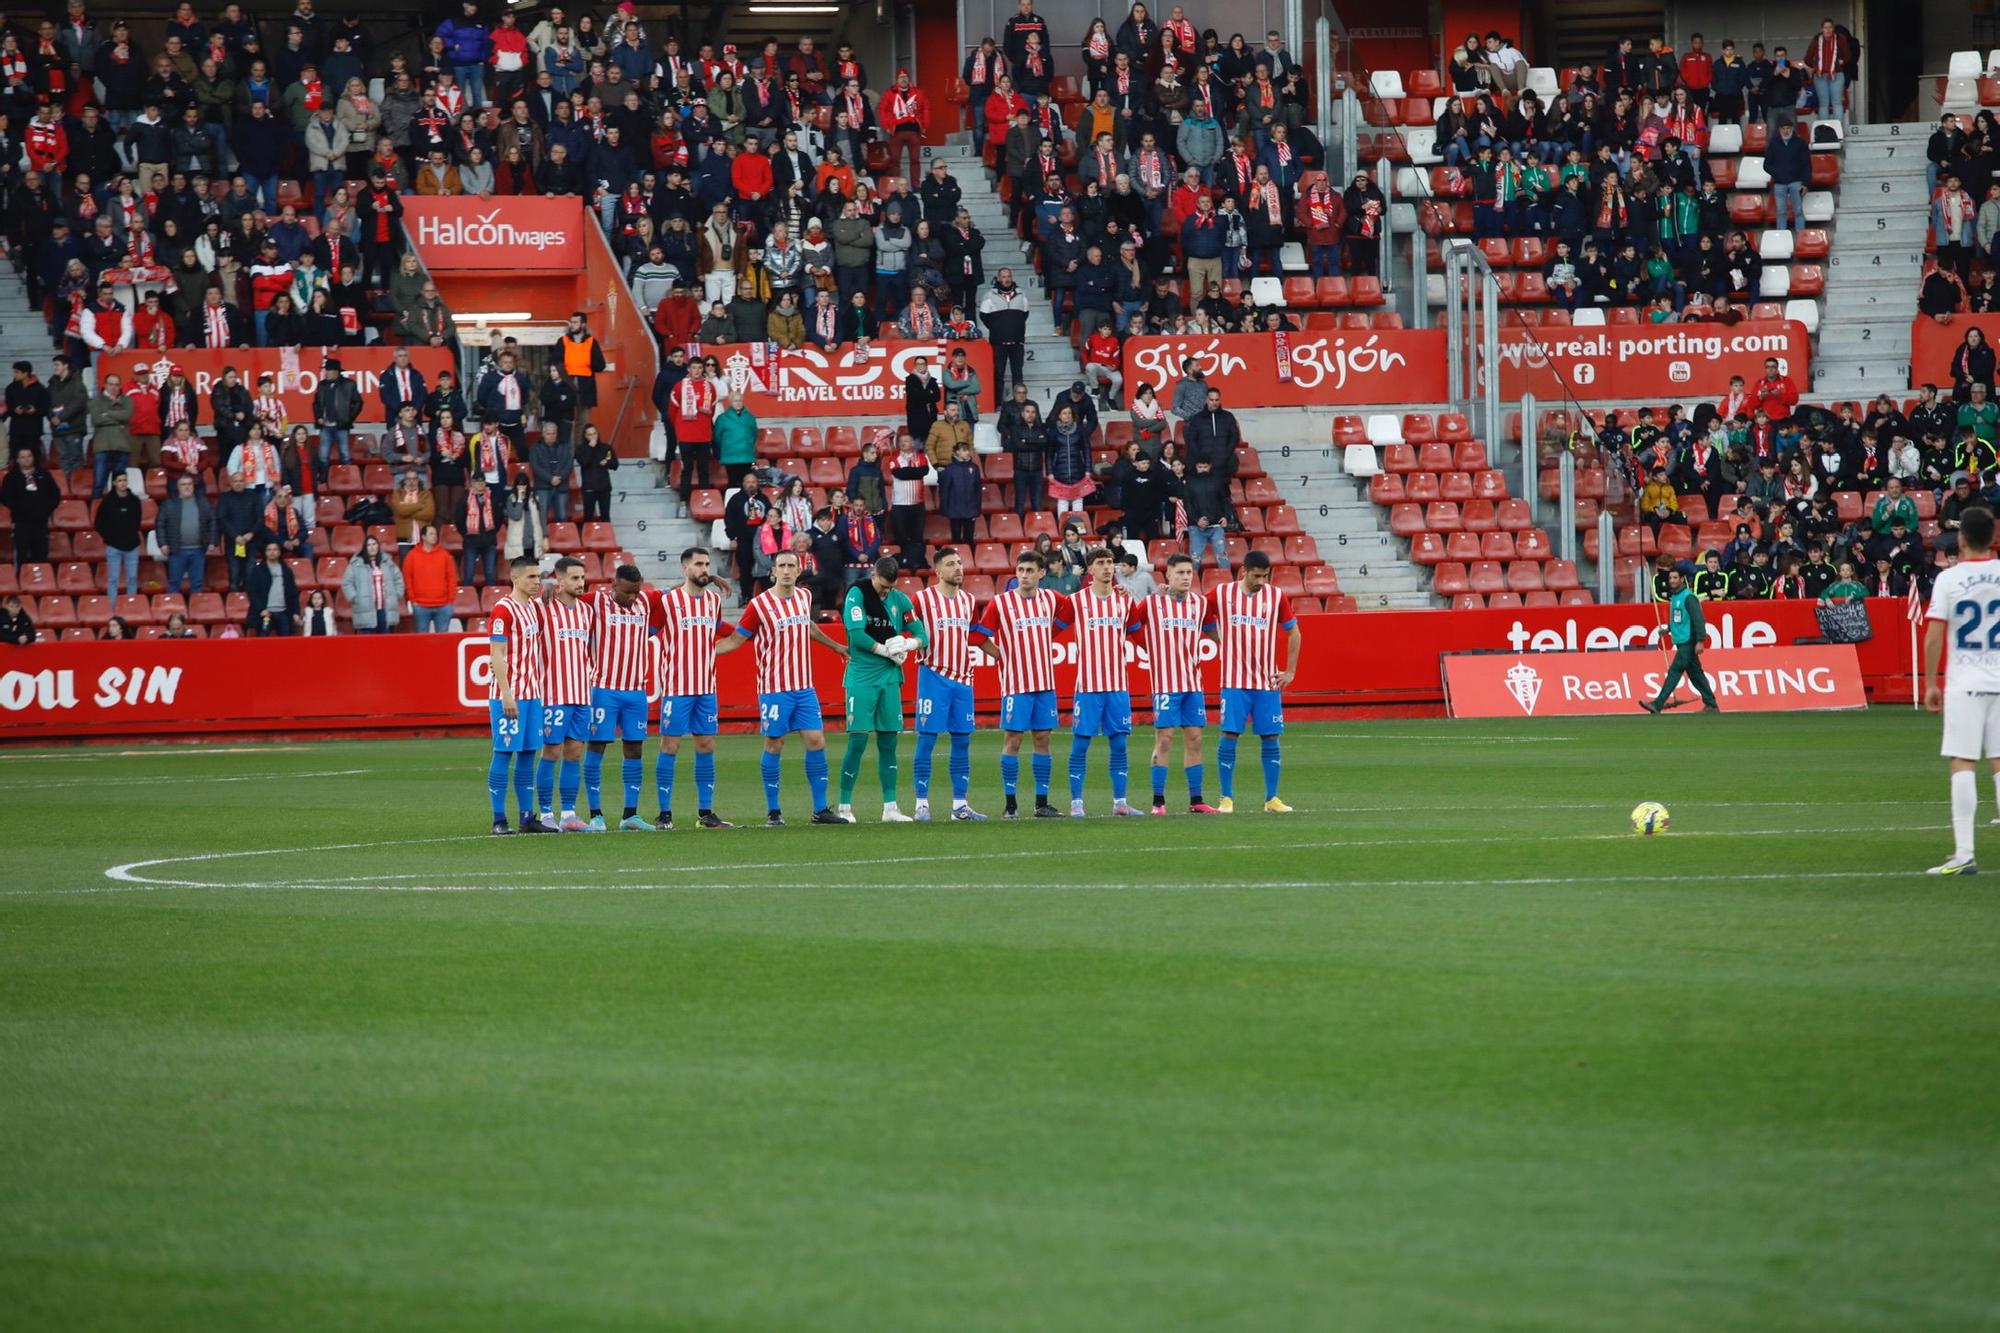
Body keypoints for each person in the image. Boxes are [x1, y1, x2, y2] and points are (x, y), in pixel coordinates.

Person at [736, 548, 850, 826]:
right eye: (781, 566)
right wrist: (709, 651)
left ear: (799, 571)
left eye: (791, 566)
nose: (786, 570)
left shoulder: (804, 596)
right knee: (775, 744)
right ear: (773, 571)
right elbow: (739, 637)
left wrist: (836, 646)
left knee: (816, 741)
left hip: (804, 687)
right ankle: (774, 812)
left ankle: (820, 810)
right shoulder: (759, 605)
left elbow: (807, 625)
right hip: (774, 688)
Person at [1922, 504, 2000, 875]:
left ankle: (1965, 853)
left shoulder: (1949, 580)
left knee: (1963, 761)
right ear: (1993, 537)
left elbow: (1934, 636)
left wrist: (1931, 683)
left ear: (1962, 539)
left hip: (1966, 683)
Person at [974, 549, 1072, 818]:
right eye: (1020, 571)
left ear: (1042, 573)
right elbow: (978, 637)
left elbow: (1071, 611)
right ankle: (1010, 805)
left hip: (1044, 682)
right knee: (1013, 741)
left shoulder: (1051, 598)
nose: (1024, 576)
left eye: (1030, 571)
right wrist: (1002, 655)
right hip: (1016, 685)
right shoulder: (1000, 603)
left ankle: (1041, 803)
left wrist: (1050, 634)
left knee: (1042, 739)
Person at [1206, 551, 1301, 813]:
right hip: (1234, 681)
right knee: (1229, 735)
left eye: (1265, 576)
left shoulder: (1276, 596)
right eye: (1256, 575)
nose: (1261, 581)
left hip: (1267, 682)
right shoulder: (1222, 593)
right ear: (1243, 572)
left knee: (1271, 736)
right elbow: (1201, 615)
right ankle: (1226, 797)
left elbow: (1293, 632)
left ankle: (1272, 798)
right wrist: (1217, 640)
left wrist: (1290, 672)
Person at [836, 555, 926, 823]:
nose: (886, 591)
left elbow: (923, 634)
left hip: (889, 679)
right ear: (873, 575)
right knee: (858, 741)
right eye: (883, 586)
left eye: (890, 587)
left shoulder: (900, 600)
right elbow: (856, 635)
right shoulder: (858, 593)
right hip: (862, 677)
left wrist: (909, 645)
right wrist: (886, 650)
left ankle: (890, 808)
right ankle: (844, 807)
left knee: (889, 742)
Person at [654, 546, 737, 830]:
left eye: (707, 564)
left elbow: (719, 630)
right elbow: (649, 631)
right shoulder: (667, 600)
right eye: (698, 564)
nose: (704, 569)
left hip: (706, 686)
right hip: (676, 687)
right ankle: (664, 814)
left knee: (706, 744)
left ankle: (706, 813)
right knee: (670, 745)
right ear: (684, 568)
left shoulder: (713, 601)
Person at [908, 548, 987, 822]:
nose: (958, 568)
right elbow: (901, 626)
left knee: (962, 741)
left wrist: (1003, 655)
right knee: (927, 739)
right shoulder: (921, 599)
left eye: (960, 563)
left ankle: (960, 805)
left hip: (964, 679)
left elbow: (975, 636)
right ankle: (921, 803)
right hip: (933, 675)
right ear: (938, 571)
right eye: (951, 564)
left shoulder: (968, 600)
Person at [1065, 548, 1144, 818]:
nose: (1108, 567)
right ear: (1090, 569)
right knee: (1081, 744)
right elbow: (1051, 629)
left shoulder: (1125, 602)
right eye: (1101, 563)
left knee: (1119, 744)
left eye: (1110, 562)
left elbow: (1140, 636)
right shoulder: (1075, 601)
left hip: (1118, 686)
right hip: (1087, 686)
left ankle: (1120, 802)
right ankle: (1077, 803)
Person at [581, 565, 658, 831]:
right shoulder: (597, 600)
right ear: (614, 585)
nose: (633, 598)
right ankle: (596, 815)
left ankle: (630, 816)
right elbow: (566, 596)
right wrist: (548, 591)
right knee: (597, 746)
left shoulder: (646, 601)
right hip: (604, 688)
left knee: (635, 748)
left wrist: (711, 579)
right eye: (627, 592)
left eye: (636, 592)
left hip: (636, 691)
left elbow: (681, 591)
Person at [531, 555, 597, 833]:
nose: (580, 583)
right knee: (551, 751)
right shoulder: (542, 608)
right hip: (553, 693)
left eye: (582, 578)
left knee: (575, 752)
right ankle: (546, 814)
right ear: (559, 579)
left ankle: (568, 813)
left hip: (581, 693)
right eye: (574, 578)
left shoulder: (587, 611)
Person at [486, 555, 548, 835]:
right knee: (503, 752)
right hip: (510, 695)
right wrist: (506, 694)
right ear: (515, 578)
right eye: (531, 577)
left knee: (527, 754)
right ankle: (499, 819)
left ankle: (527, 817)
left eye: (538, 577)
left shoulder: (534, 608)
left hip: (533, 694)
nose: (537, 582)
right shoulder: (503, 610)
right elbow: (496, 655)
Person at [1640, 562, 1721, 715]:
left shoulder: (1688, 597)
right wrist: (1668, 629)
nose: (1672, 580)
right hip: (1682, 640)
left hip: (1688, 642)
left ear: (1682, 579)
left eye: (1675, 578)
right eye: (1671, 578)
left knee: (1675, 671)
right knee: (1696, 675)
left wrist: (1700, 640)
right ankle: (1711, 704)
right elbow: (1680, 620)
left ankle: (1657, 704)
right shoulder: (1676, 597)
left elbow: (1698, 620)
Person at [1, 448, 59, 569]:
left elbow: (55, 494)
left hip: (41, 522)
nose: (26, 459)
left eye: (29, 456)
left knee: (41, 553)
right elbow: (5, 497)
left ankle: (41, 582)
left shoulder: (44, 474)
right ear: (17, 460)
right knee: (21, 554)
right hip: (21, 522)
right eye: (23, 457)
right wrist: (20, 509)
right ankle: (22, 581)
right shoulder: (12, 477)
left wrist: (45, 510)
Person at [93, 470, 145, 599]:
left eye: (124, 480)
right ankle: (113, 609)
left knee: (132, 578)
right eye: (120, 480)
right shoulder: (107, 502)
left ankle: (131, 605)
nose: (123, 483)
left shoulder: (134, 500)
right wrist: (109, 538)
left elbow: (137, 521)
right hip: (113, 547)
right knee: (113, 579)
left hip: (132, 545)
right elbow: (99, 523)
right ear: (115, 483)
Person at [343, 534, 405, 634]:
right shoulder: (356, 564)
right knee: (367, 647)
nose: (372, 547)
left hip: (385, 610)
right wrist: (355, 598)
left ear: (378, 546)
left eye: (374, 544)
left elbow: (398, 579)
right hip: (365, 610)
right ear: (365, 547)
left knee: (385, 646)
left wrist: (396, 595)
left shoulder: (388, 562)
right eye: (369, 545)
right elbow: (347, 583)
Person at [403, 523, 457, 632]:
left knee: (443, 642)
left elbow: (451, 578)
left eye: (435, 534)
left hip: (443, 605)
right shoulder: (411, 556)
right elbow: (407, 579)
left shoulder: (445, 555)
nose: (434, 536)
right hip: (420, 605)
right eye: (431, 534)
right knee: (422, 642)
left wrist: (450, 600)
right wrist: (413, 600)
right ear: (423, 537)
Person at [246, 539, 299, 636]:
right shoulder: (257, 571)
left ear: (279, 552)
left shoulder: (287, 570)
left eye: (275, 550)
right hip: (265, 613)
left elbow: (293, 593)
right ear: (265, 553)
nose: (272, 552)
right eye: (269, 550)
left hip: (284, 612)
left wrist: (296, 612)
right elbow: (252, 592)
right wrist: (261, 609)